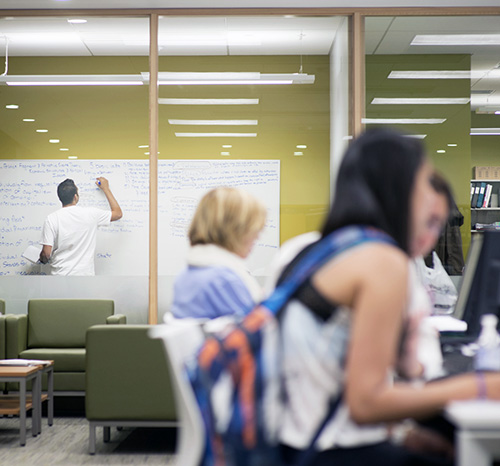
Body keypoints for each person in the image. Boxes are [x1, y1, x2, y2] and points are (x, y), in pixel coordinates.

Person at [275, 128, 499, 466]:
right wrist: (480, 387)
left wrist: (401, 434)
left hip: (291, 444)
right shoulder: (382, 260)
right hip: (328, 453)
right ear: (401, 188)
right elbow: (365, 403)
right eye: (424, 180)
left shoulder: (318, 251)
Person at [171, 186, 266, 319]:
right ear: (235, 230)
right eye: (254, 229)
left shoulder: (187, 274)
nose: (257, 237)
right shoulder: (225, 281)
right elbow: (256, 332)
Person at [38, 177, 122, 276]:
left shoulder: (51, 218)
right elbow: (118, 214)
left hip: (59, 276)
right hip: (84, 277)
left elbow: (46, 254)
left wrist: (42, 258)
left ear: (60, 198)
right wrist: (106, 188)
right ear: (75, 197)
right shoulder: (91, 214)